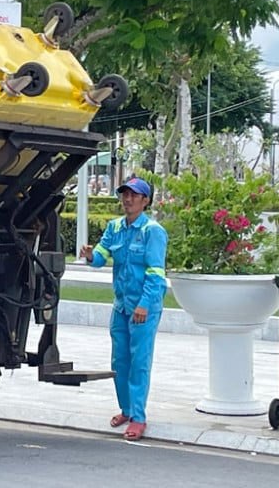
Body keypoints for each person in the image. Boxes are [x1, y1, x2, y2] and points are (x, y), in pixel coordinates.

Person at [78, 177, 167, 441]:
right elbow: (101, 256)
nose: (128, 200)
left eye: (134, 195)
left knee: (139, 362)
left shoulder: (152, 231)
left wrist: (144, 305)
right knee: (119, 361)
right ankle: (126, 410)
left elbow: (156, 274)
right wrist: (90, 255)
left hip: (143, 308)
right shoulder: (115, 227)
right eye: (124, 194)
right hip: (121, 307)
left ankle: (138, 418)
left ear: (145, 200)